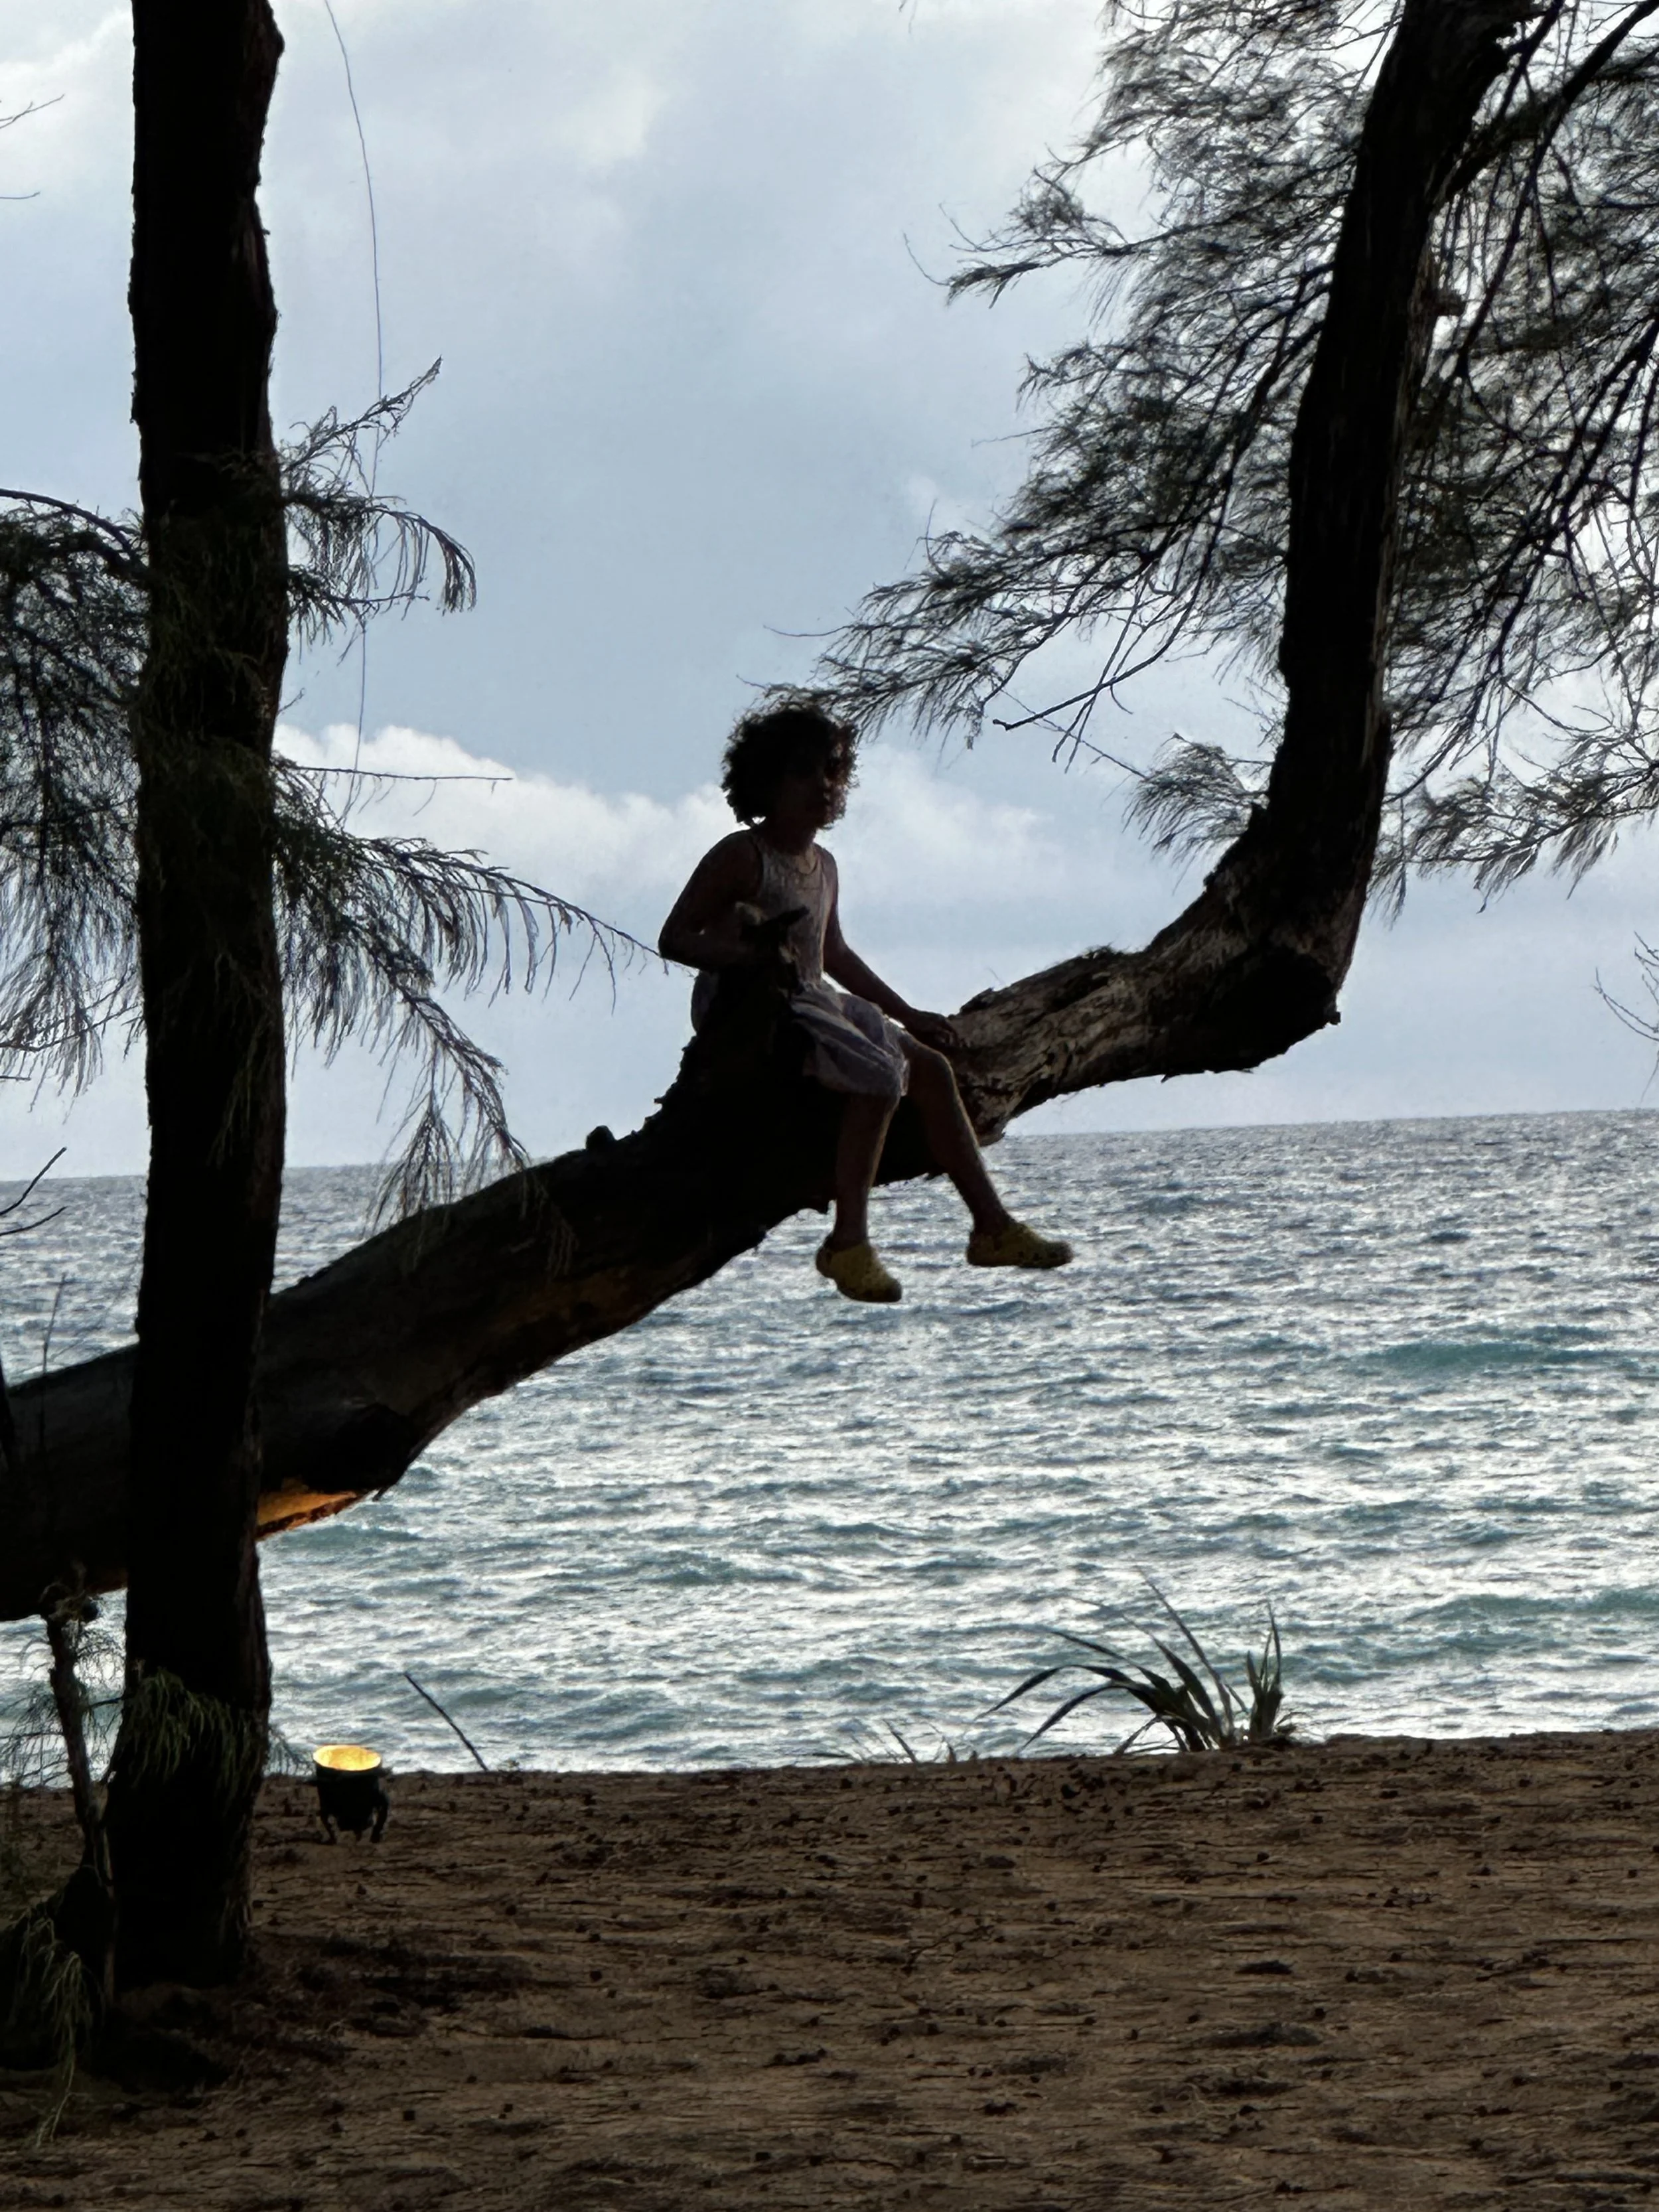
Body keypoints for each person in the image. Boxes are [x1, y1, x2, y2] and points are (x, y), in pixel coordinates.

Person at [659, 696, 1073, 1303]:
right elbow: (675, 938)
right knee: (880, 1078)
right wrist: (749, 957)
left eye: (832, 771)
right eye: (804, 772)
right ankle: (848, 1242)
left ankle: (991, 1226)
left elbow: (835, 954)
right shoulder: (742, 855)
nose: (823, 786)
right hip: (751, 1008)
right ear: (767, 781)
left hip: (811, 994)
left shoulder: (823, 863)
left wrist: (910, 1015)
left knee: (928, 1069)